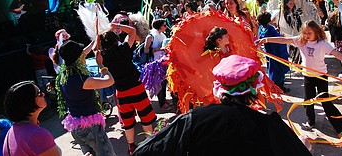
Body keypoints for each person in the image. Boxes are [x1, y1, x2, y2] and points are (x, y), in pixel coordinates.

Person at [133, 55, 312, 156]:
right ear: (255, 89)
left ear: (219, 88)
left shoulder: (193, 119)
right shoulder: (269, 126)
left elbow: (144, 152)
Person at [258, 20, 342, 137]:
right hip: (307, 76)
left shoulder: (322, 44)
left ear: (316, 32)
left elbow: (336, 54)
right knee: (308, 101)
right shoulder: (301, 41)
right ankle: (311, 121)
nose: (306, 35)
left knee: (325, 103)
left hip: (321, 77)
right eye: (305, 33)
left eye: (309, 33)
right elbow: (283, 40)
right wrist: (266, 40)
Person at [100, 23, 157, 155]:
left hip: (121, 92)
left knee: (128, 122)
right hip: (136, 88)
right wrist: (115, 25)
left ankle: (131, 147)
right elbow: (132, 32)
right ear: (115, 39)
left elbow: (97, 53)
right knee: (145, 118)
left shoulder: (103, 57)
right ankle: (150, 143)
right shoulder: (124, 49)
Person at [53, 40, 116, 155]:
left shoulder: (63, 74)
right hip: (90, 128)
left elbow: (83, 53)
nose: (84, 55)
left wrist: (94, 41)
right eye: (81, 53)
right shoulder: (80, 79)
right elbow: (110, 81)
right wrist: (101, 65)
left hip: (77, 127)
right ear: (78, 58)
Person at [2, 80, 61, 155]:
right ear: (28, 102)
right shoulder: (37, 135)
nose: (43, 94)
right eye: (39, 93)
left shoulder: (11, 133)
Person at [257, 12, 289, 92]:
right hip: (277, 51)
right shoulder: (270, 29)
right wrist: (281, 36)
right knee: (279, 69)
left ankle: (273, 85)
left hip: (269, 51)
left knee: (272, 68)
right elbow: (277, 38)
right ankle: (279, 87)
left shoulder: (261, 28)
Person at [144, 19, 170, 109]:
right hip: (155, 63)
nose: (166, 27)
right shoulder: (151, 36)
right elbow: (146, 50)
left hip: (163, 61)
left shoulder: (162, 35)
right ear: (159, 26)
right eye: (164, 25)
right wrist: (158, 49)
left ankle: (164, 99)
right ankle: (162, 103)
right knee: (159, 83)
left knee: (164, 82)